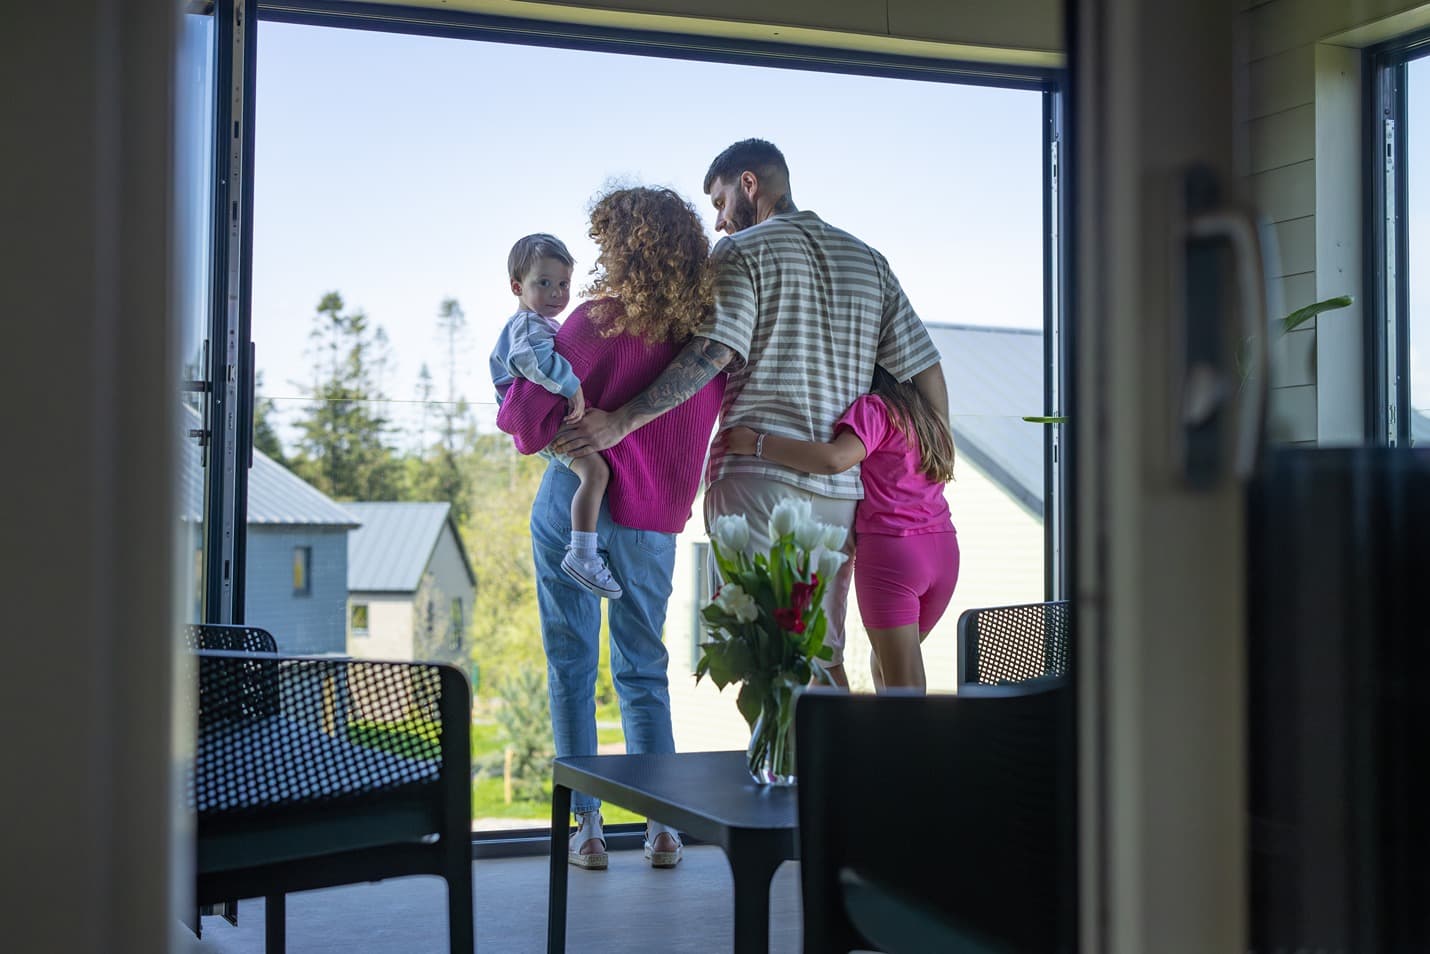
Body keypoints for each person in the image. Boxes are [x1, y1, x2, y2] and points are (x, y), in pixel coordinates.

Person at [553, 138, 947, 688]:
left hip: (758, 480)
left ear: (749, 184)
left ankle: (783, 772)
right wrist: (936, 462)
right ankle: (837, 774)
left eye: (719, 202)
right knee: (822, 656)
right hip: (838, 496)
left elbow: (714, 351)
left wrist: (620, 421)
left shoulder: (743, 252)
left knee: (772, 660)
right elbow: (924, 366)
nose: (717, 222)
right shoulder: (868, 261)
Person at [496, 187, 724, 871]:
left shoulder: (592, 322)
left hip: (573, 510)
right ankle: (662, 829)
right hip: (652, 524)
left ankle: (587, 832)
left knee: (570, 665)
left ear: (623, 247)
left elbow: (526, 424)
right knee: (642, 668)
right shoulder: (707, 341)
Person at [723, 365, 959, 692]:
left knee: (904, 693)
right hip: (944, 552)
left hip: (894, 554)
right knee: (890, 668)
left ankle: (904, 744)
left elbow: (834, 459)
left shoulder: (878, 409)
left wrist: (756, 444)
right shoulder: (926, 418)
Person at [490, 233, 621, 600]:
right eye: (543, 283)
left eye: (563, 284)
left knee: (594, 469)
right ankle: (582, 554)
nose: (555, 293)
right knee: (594, 471)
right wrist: (571, 386)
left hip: (548, 417)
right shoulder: (527, 326)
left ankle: (584, 551)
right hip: (540, 422)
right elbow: (531, 362)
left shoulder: (543, 324)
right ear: (517, 286)